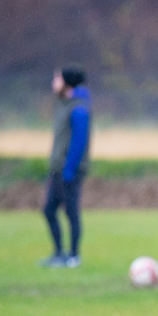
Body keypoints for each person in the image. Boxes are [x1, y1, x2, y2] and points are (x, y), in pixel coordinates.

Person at [41, 64, 91, 269]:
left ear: (66, 83)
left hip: (69, 171)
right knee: (49, 210)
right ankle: (59, 253)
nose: (53, 83)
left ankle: (73, 256)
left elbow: (79, 143)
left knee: (71, 212)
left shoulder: (78, 108)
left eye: (57, 79)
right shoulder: (63, 104)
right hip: (58, 169)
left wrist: (70, 169)